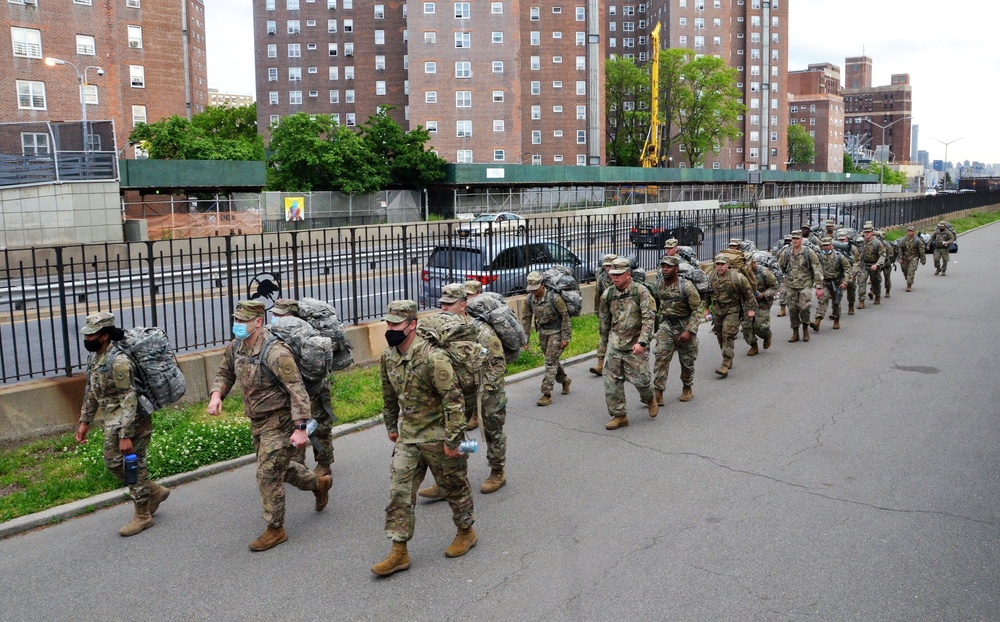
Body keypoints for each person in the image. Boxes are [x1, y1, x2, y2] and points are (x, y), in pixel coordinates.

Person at [208, 300, 332, 552]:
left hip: (282, 421)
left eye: (243, 321)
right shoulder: (237, 346)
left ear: (258, 322)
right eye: (236, 320)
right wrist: (216, 395)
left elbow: (297, 391)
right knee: (282, 470)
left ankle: (276, 529)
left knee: (267, 474)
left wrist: (300, 428)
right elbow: (225, 372)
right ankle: (319, 484)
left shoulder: (276, 353)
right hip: (258, 421)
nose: (238, 325)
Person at [373, 300, 476, 576]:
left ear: (412, 325)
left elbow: (453, 401)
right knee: (399, 490)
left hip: (439, 435)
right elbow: (388, 395)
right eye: (389, 323)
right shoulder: (388, 357)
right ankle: (399, 551)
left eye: (396, 324)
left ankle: (466, 531)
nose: (390, 328)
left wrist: (454, 440)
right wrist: (390, 425)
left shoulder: (433, 358)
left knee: (453, 487)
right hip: (408, 436)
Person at [75, 312, 170, 537]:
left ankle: (143, 515)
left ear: (105, 336)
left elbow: (129, 398)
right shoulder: (96, 358)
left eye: (92, 335)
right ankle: (154, 492)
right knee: (113, 464)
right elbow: (92, 392)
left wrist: (126, 434)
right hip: (114, 421)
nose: (87, 340)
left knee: (132, 465)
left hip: (133, 421)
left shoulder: (119, 361)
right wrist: (84, 421)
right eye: (86, 335)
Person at [420, 283, 508, 496]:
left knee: (492, 429)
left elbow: (497, 362)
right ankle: (451, 481)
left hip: (483, 390)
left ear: (463, 305)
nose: (445, 308)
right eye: (443, 304)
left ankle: (497, 471)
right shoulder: (442, 331)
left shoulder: (480, 330)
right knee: (452, 434)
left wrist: (487, 391)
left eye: (450, 304)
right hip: (457, 392)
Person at [270, 298, 335, 478]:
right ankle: (298, 464)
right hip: (292, 389)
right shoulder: (276, 331)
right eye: (274, 314)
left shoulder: (304, 332)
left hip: (314, 388)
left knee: (320, 428)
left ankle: (324, 463)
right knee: (295, 426)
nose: (275, 318)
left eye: (280, 315)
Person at [598, 258, 658, 430]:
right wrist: (603, 346)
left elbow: (649, 319)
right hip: (615, 344)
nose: (614, 278)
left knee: (641, 381)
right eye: (612, 274)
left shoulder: (641, 292)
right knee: (611, 383)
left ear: (628, 274)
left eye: (618, 274)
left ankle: (650, 398)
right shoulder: (608, 295)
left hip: (635, 345)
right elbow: (604, 322)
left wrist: (643, 342)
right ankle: (620, 415)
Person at [652, 255, 701, 404]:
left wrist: (689, 330)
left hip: (684, 325)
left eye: (669, 267)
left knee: (687, 361)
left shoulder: (686, 286)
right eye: (663, 266)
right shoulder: (658, 285)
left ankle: (687, 387)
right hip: (666, 325)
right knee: (661, 357)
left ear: (676, 269)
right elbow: (653, 305)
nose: (665, 269)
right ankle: (658, 392)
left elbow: (697, 309)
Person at [521, 270, 572, 406]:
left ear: (542, 284)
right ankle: (564, 380)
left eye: (536, 289)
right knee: (552, 360)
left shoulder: (555, 298)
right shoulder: (529, 299)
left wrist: (566, 337)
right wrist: (525, 338)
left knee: (550, 362)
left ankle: (546, 394)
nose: (534, 292)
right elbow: (526, 318)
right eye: (531, 289)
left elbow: (565, 317)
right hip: (543, 332)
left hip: (557, 332)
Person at [704, 255, 757, 378]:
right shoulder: (711, 277)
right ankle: (726, 355)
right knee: (719, 334)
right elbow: (707, 293)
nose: (720, 266)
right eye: (718, 264)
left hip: (733, 309)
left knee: (728, 333)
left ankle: (726, 362)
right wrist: (706, 308)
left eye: (722, 264)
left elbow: (748, 293)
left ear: (728, 265)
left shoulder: (737, 278)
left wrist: (751, 309)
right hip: (717, 309)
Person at [777, 231, 824, 342]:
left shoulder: (809, 252)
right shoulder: (787, 252)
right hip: (791, 285)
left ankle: (805, 328)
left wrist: (818, 286)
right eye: (793, 239)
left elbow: (817, 268)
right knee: (792, 309)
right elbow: (779, 268)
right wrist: (780, 283)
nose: (795, 241)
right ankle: (795, 331)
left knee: (804, 308)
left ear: (801, 239)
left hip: (805, 285)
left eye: (797, 238)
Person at [812, 237, 851, 331]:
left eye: (827, 245)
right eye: (824, 245)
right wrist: (818, 285)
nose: (825, 247)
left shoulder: (839, 256)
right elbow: (816, 269)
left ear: (831, 245)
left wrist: (845, 282)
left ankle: (836, 320)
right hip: (825, 282)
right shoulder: (819, 256)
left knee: (836, 303)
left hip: (837, 283)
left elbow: (848, 269)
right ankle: (817, 321)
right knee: (822, 300)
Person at [589, 253, 618, 376]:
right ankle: (600, 364)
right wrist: (597, 311)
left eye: (610, 265)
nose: (608, 268)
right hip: (606, 312)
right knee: (603, 336)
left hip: (621, 312)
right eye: (606, 266)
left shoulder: (622, 276)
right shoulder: (602, 278)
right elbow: (597, 295)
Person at [744, 256, 778, 355]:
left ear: (753, 263)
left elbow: (775, 287)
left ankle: (767, 335)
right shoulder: (743, 273)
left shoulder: (765, 272)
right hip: (748, 302)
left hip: (763, 302)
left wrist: (764, 294)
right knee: (746, 326)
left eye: (748, 265)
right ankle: (753, 346)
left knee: (760, 326)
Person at [856, 224, 886, 308]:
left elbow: (882, 255)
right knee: (861, 282)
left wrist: (877, 264)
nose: (867, 234)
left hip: (874, 265)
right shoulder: (860, 242)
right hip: (864, 265)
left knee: (875, 282)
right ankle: (861, 300)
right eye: (865, 232)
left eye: (869, 232)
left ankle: (877, 295)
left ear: (872, 233)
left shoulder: (877, 243)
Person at [836, 229, 862, 315]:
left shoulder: (852, 248)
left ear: (847, 239)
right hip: (839, 273)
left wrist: (854, 272)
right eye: (839, 240)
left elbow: (857, 261)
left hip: (850, 272)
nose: (841, 241)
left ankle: (851, 305)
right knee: (838, 291)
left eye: (843, 239)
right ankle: (836, 311)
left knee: (851, 290)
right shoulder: (835, 249)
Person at [897, 225, 927, 291]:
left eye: (911, 231)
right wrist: (900, 258)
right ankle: (908, 280)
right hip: (905, 258)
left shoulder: (917, 240)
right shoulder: (903, 240)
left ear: (914, 232)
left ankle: (909, 285)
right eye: (909, 231)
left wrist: (923, 260)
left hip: (914, 258)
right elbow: (900, 249)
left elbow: (921, 251)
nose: (910, 232)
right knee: (905, 271)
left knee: (911, 271)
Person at [775, 234, 793, 317]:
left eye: (790, 241)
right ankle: (782, 309)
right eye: (786, 241)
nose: (788, 243)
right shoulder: (782, 250)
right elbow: (778, 260)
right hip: (786, 274)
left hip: (798, 276)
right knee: (783, 291)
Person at [876, 230, 896, 298]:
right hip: (877, 264)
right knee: (875, 278)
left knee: (887, 278)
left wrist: (886, 259)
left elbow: (891, 253)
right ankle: (872, 290)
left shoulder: (886, 244)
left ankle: (887, 290)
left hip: (886, 263)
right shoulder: (873, 244)